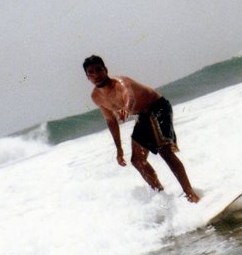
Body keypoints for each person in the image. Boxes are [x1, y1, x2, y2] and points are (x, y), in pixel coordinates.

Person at [83, 55, 199, 203]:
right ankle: (164, 198)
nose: (96, 75)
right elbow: (111, 121)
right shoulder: (96, 97)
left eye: (99, 70)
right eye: (91, 72)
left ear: (105, 70)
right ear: (87, 77)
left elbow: (129, 97)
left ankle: (191, 195)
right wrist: (119, 149)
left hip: (157, 107)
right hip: (143, 116)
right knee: (137, 160)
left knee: (164, 150)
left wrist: (126, 108)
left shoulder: (121, 83)